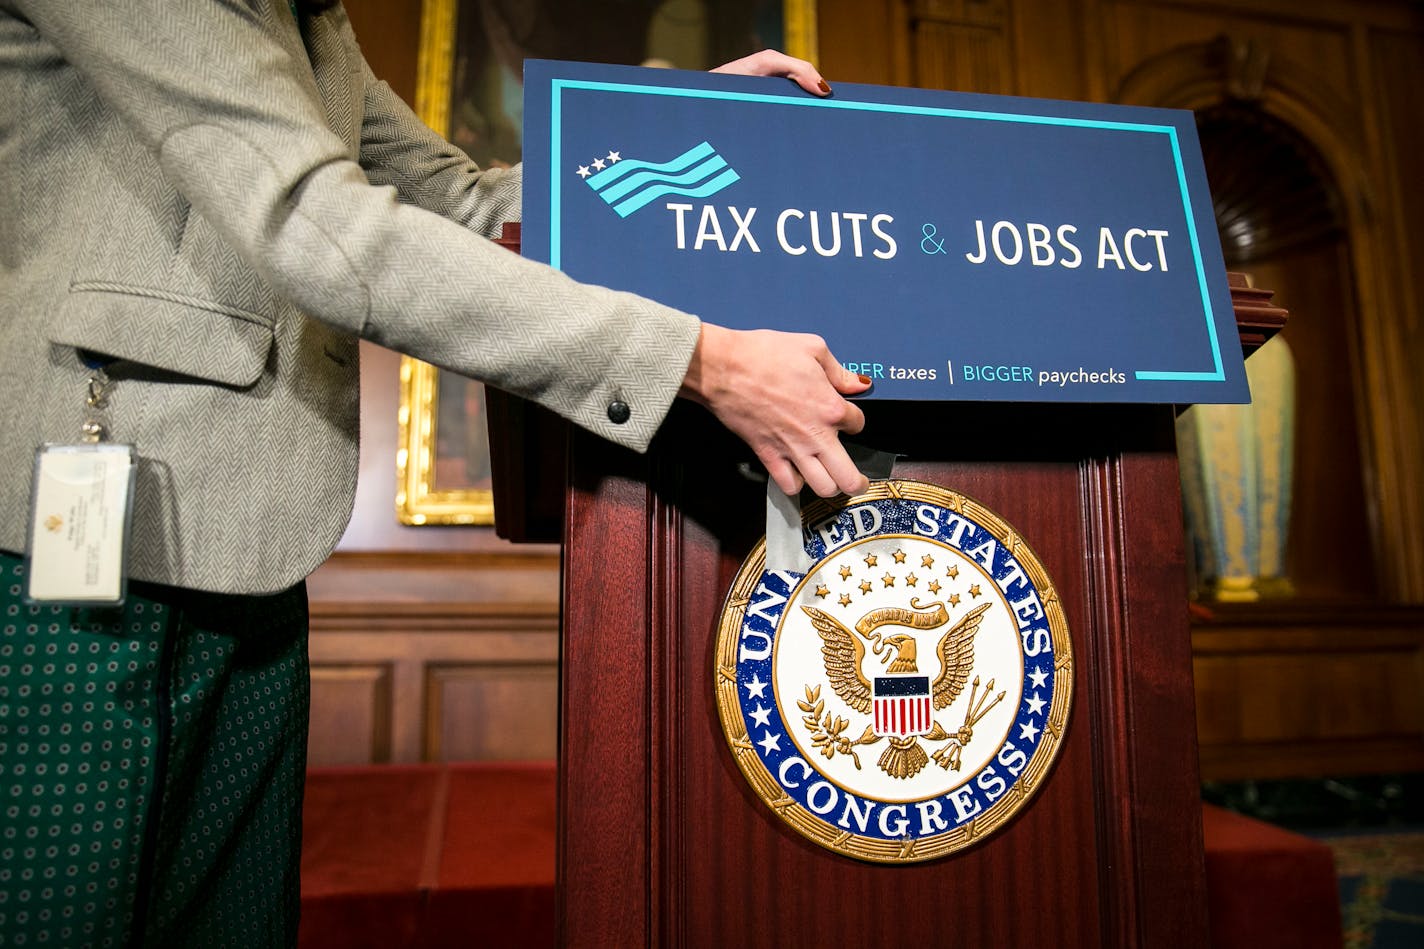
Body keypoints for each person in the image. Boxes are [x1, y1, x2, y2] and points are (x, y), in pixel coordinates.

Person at [0, 1, 870, 946]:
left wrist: (682, 127)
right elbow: (317, 222)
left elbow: (462, 202)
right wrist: (704, 362)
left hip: (259, 548)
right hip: (79, 560)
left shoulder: (312, 22)